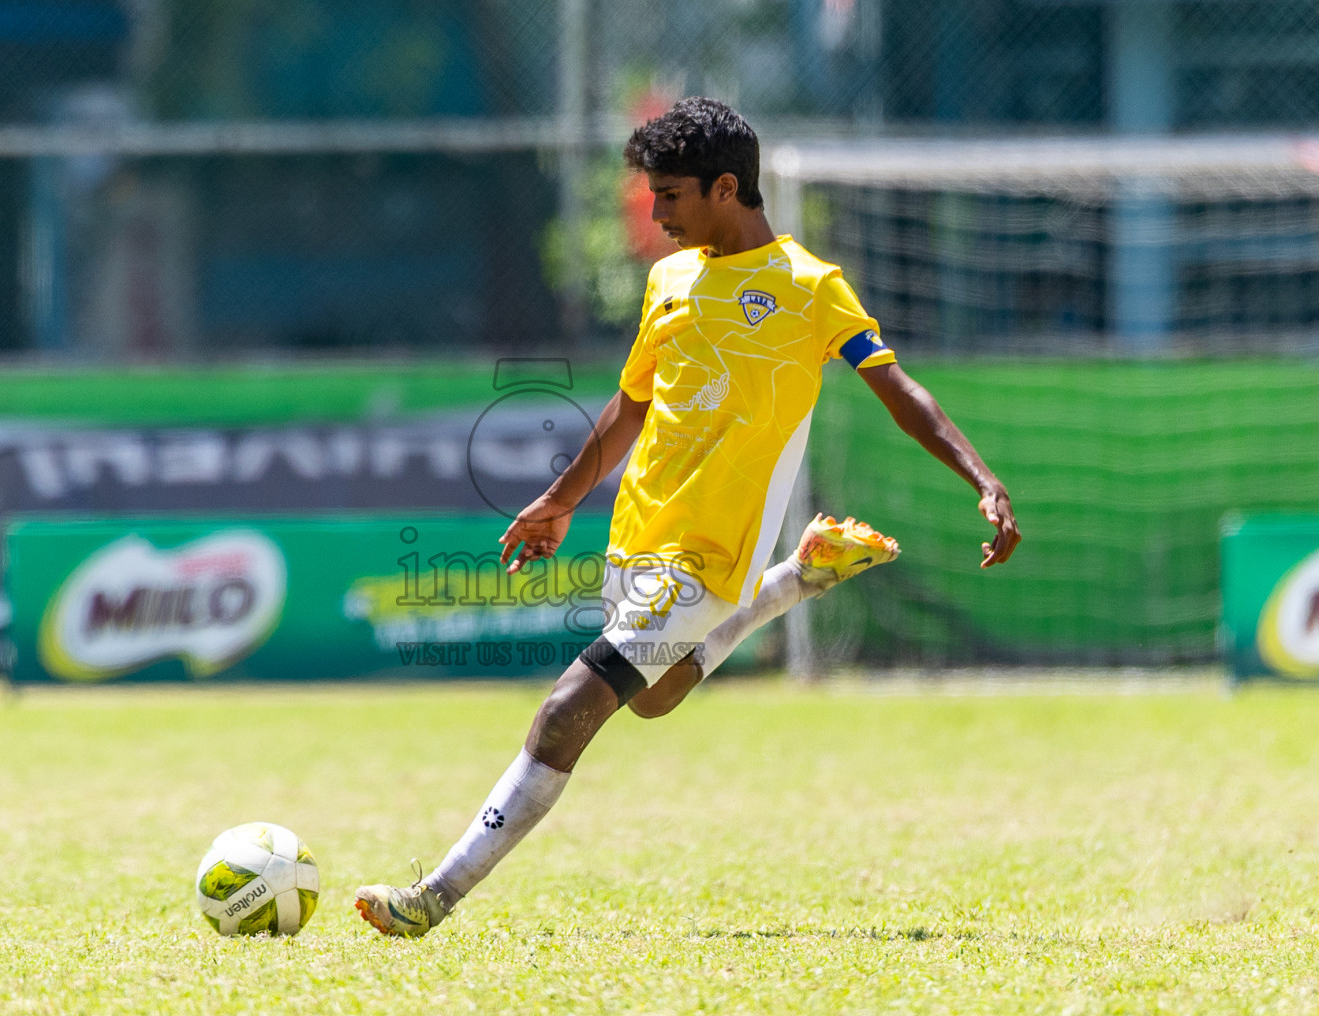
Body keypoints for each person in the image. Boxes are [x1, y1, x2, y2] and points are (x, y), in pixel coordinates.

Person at [355, 97, 1021, 936]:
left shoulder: (811, 289)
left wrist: (982, 476)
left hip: (707, 554)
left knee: (568, 709)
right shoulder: (668, 280)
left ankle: (433, 897)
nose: (656, 213)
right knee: (655, 697)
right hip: (640, 532)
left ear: (726, 187)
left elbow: (899, 391)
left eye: (670, 195)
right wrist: (561, 499)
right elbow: (632, 405)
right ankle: (798, 578)